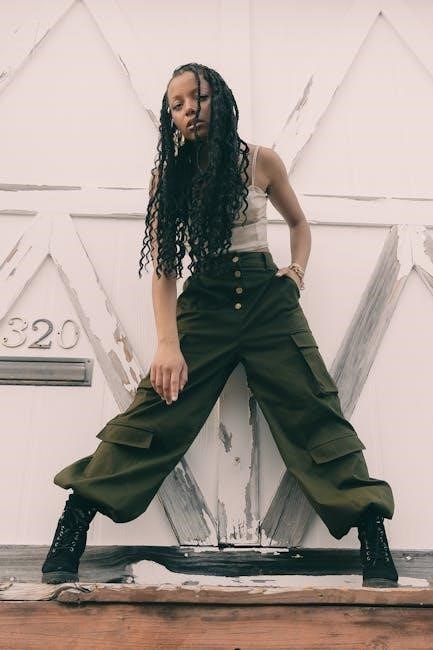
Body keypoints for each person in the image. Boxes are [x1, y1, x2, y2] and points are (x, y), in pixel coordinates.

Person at [41, 62, 398, 588]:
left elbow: (299, 224)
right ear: (170, 118)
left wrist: (296, 273)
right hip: (205, 303)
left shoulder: (262, 161)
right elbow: (165, 268)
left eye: (199, 97)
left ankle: (370, 529)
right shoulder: (168, 179)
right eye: (178, 105)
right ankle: (76, 517)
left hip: (268, 302)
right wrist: (167, 343)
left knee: (313, 408)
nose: (190, 110)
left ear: (222, 100)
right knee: (154, 412)